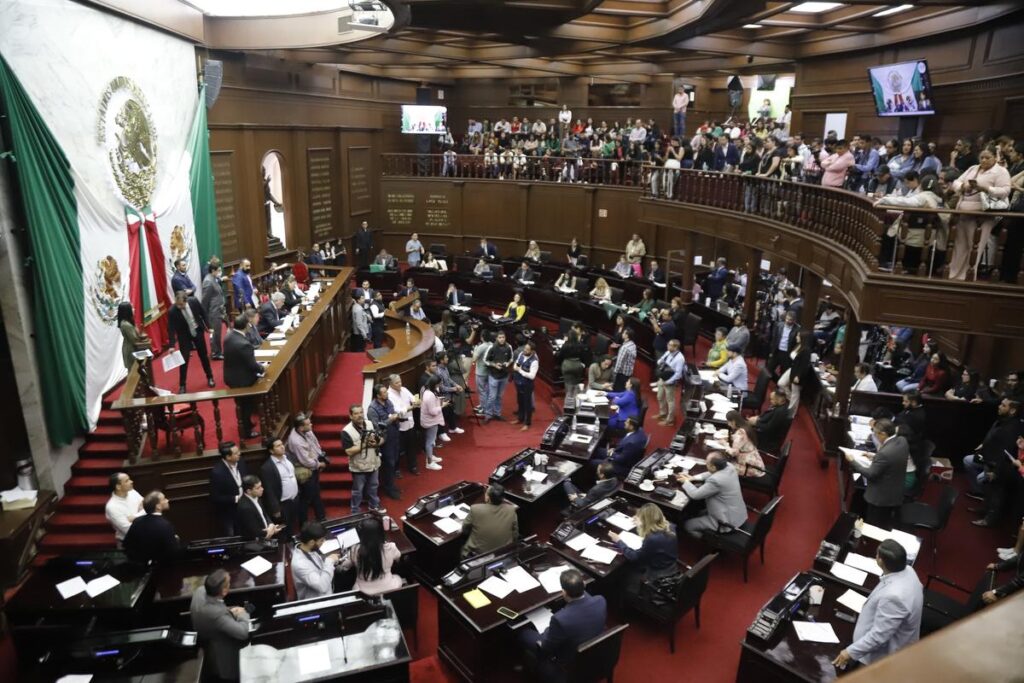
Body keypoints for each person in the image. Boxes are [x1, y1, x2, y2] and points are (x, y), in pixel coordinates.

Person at [832, 540, 923, 670]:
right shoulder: (908, 570)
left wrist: (850, 652)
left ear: (880, 561)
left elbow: (879, 636)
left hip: (883, 656)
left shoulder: (894, 597)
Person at [517, 569, 606, 682]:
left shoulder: (560, 619)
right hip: (595, 655)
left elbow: (546, 647)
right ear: (584, 584)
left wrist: (546, 631)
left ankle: (530, 668)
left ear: (563, 592)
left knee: (524, 633)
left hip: (567, 664)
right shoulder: (601, 600)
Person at [949, 148, 1011, 280]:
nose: (983, 160)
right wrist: (963, 187)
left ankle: (968, 276)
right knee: (959, 245)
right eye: (981, 157)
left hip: (982, 216)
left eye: (987, 157)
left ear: (995, 158)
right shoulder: (973, 168)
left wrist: (986, 189)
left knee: (974, 246)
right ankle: (953, 275)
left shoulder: (1001, 171)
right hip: (962, 212)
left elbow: (1005, 191)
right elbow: (955, 182)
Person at [845, 419, 909, 527]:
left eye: (875, 433)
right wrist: (874, 456)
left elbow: (871, 474)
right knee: (884, 519)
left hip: (881, 497)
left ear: (883, 434)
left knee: (875, 524)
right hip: (895, 491)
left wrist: (852, 461)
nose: (874, 436)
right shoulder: (902, 441)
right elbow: (893, 459)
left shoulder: (884, 453)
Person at [190, 570, 250, 681]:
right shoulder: (217, 615)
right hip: (222, 655)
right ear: (224, 591)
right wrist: (243, 614)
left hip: (207, 641)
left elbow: (212, 609)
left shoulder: (199, 591)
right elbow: (243, 633)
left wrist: (229, 611)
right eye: (229, 584)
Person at [610, 503, 679, 599]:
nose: (636, 519)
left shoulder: (652, 539)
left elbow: (634, 557)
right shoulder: (670, 526)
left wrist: (619, 541)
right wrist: (640, 519)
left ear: (646, 521)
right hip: (670, 565)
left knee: (621, 573)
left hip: (657, 575)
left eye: (639, 518)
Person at [679, 453, 748, 539]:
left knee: (688, 525)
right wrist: (693, 478)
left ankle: (708, 540)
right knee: (698, 512)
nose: (706, 464)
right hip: (738, 514)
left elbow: (695, 495)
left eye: (707, 463)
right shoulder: (729, 466)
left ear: (714, 467)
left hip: (725, 522)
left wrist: (685, 482)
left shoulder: (716, 481)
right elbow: (711, 473)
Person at [223, 314, 264, 439]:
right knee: (247, 405)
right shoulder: (243, 343)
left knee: (241, 404)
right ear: (246, 326)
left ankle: (246, 424)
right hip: (242, 379)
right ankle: (247, 432)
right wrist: (263, 368)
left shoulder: (229, 336)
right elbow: (252, 365)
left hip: (231, 376)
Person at [339, 517, 403, 595]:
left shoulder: (355, 549)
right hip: (389, 587)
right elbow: (398, 558)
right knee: (398, 577)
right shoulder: (390, 547)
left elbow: (346, 566)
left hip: (363, 591)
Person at [167, 291, 215, 394]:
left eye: (181, 305)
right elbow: (171, 328)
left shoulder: (193, 301)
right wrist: (171, 345)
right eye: (177, 304)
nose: (179, 307)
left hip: (197, 331)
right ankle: (182, 385)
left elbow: (203, 313)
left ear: (186, 300)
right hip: (184, 335)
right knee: (184, 360)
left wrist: (209, 326)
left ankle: (210, 377)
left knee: (203, 356)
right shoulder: (172, 311)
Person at [342, 403, 385, 514]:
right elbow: (348, 451)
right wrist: (365, 445)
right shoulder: (346, 431)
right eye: (356, 413)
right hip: (358, 467)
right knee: (357, 491)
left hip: (374, 463)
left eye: (361, 412)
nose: (359, 415)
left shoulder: (370, 423)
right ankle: (355, 511)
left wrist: (377, 442)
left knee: (374, 487)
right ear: (350, 416)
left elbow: (381, 439)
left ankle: (373, 506)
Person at [287, 412, 327, 522]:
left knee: (315, 494)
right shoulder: (296, 441)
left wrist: (320, 457)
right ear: (300, 427)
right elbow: (306, 461)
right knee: (307, 497)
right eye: (308, 424)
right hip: (306, 470)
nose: (311, 425)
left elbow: (315, 443)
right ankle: (304, 522)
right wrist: (319, 464)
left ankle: (321, 517)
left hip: (313, 466)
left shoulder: (306, 431)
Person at [461, 483, 519, 559]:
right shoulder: (511, 509)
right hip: (503, 553)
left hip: (478, 556)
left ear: (488, 498)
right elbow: (515, 534)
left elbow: (465, 529)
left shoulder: (476, 509)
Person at [123, 491, 181, 565]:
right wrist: (176, 540)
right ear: (158, 506)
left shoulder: (137, 521)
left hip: (139, 566)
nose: (167, 500)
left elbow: (127, 545)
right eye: (164, 499)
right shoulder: (165, 525)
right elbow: (173, 552)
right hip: (160, 568)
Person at [368, 383, 402, 500]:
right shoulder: (372, 409)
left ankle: (391, 485)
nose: (387, 393)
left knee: (395, 460)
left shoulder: (388, 402)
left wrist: (396, 417)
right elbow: (376, 427)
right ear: (378, 395)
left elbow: (393, 412)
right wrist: (390, 420)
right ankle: (388, 488)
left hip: (395, 435)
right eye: (384, 392)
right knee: (389, 463)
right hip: (385, 439)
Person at [291, 521, 341, 600]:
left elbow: (319, 567)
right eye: (321, 540)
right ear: (311, 542)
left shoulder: (310, 550)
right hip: (317, 603)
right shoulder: (300, 564)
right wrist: (329, 561)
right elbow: (322, 587)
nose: (324, 542)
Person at [260, 436, 299, 535]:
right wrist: (275, 509)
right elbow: (269, 490)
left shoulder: (288, 457)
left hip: (294, 499)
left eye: (282, 444)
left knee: (294, 525)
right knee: (285, 530)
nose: (282, 447)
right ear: (271, 451)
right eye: (278, 446)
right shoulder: (267, 468)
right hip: (282, 504)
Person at [209, 442, 246, 536]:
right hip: (229, 511)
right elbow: (215, 497)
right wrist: (236, 498)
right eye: (236, 453)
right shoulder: (217, 472)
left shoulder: (241, 461)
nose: (239, 454)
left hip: (245, 507)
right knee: (232, 535)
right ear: (228, 457)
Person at [387, 373, 419, 476]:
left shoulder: (404, 389)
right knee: (397, 449)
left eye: (400, 381)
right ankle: (396, 469)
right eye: (397, 382)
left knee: (411, 447)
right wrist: (411, 407)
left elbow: (413, 399)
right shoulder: (389, 395)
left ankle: (413, 466)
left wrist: (416, 401)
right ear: (391, 384)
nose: (400, 384)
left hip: (410, 423)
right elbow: (397, 411)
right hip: (398, 426)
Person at [236, 475, 283, 541]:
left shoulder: (256, 497)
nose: (262, 489)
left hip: (265, 535)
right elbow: (255, 532)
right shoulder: (245, 508)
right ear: (249, 491)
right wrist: (271, 531)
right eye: (258, 488)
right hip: (254, 544)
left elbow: (264, 515)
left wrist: (271, 525)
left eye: (261, 486)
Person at [777, 331, 813, 417]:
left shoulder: (806, 350)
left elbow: (804, 365)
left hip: (798, 373)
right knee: (781, 383)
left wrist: (798, 376)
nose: (796, 337)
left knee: (795, 392)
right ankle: (790, 399)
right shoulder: (798, 346)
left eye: (798, 336)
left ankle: (791, 413)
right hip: (792, 369)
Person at [105, 472, 144, 546]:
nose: (131, 482)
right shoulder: (112, 507)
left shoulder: (132, 492)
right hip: (129, 543)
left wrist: (134, 517)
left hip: (144, 537)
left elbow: (149, 507)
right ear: (118, 487)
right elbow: (129, 530)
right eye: (127, 481)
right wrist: (143, 513)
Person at [483, 330, 513, 423]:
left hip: (504, 375)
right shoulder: (491, 347)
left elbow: (511, 358)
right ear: (496, 338)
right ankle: (488, 415)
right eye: (500, 337)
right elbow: (485, 360)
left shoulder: (509, 347)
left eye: (503, 337)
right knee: (492, 396)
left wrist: (507, 363)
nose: (501, 339)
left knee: (499, 396)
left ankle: (497, 414)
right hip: (493, 375)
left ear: (505, 338)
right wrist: (494, 365)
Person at [750, 390, 792, 454]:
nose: (770, 401)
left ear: (779, 399)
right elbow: (768, 417)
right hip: (765, 433)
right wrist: (758, 418)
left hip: (767, 440)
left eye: (772, 399)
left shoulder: (780, 412)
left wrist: (755, 423)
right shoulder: (779, 406)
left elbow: (769, 428)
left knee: (744, 431)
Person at [655, 339, 685, 426]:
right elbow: (660, 360)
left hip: (670, 381)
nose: (668, 346)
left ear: (675, 347)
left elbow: (678, 374)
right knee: (659, 396)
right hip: (662, 377)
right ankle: (663, 413)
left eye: (670, 345)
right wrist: (660, 361)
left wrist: (668, 381)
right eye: (668, 344)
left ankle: (670, 420)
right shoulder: (668, 352)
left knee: (670, 400)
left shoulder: (680, 358)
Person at [201, 262, 227, 360]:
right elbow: (204, 301)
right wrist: (205, 316)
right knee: (215, 334)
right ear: (213, 271)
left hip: (218, 310)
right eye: (218, 271)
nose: (220, 272)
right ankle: (215, 353)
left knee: (218, 333)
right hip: (213, 312)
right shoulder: (208, 281)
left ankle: (218, 351)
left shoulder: (213, 278)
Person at [420, 375, 445, 471]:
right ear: (436, 384)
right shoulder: (430, 395)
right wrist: (442, 406)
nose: (441, 385)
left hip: (429, 420)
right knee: (430, 442)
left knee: (431, 440)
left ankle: (431, 456)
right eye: (440, 384)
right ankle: (429, 462)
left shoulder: (426, 390)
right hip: (430, 421)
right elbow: (433, 411)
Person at [767, 310, 800, 380]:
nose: (787, 321)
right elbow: (774, 339)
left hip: (787, 353)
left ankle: (778, 385)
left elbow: (797, 344)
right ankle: (776, 381)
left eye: (790, 320)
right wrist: (771, 352)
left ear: (794, 320)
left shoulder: (797, 329)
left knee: (783, 372)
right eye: (787, 318)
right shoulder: (779, 325)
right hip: (777, 351)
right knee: (769, 369)